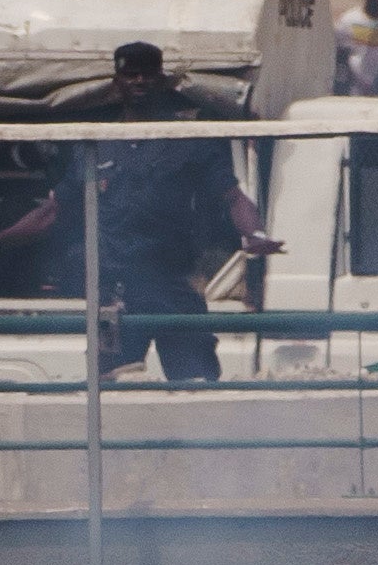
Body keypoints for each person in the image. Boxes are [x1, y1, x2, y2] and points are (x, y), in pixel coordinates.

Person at [79, 39, 250, 385]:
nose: (140, 82)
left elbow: (232, 197)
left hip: (176, 286)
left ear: (163, 81)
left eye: (148, 74)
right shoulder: (97, 140)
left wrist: (255, 233)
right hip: (118, 290)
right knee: (109, 392)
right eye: (131, 75)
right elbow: (56, 207)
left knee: (195, 389)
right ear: (117, 82)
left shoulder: (188, 137)